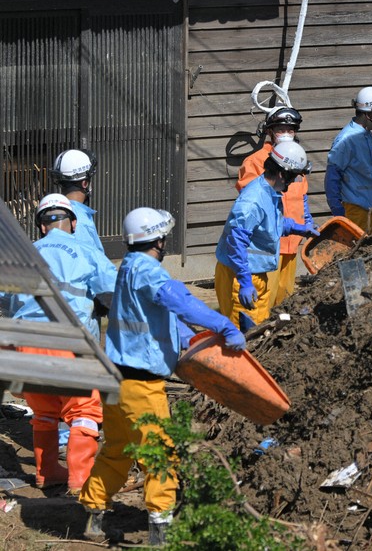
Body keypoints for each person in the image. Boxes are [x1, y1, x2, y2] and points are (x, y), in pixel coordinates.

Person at [80, 207, 247, 546]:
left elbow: (157, 315)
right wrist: (223, 324)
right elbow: (180, 300)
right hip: (140, 385)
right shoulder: (148, 272)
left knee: (117, 450)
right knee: (159, 454)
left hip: (113, 379)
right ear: (158, 240)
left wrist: (187, 337)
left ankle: (93, 519)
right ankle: (161, 530)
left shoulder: (127, 267)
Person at [11, 194, 116, 495]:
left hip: (25, 343)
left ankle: (48, 473)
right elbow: (111, 292)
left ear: (41, 227)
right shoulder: (85, 251)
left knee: (45, 409)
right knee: (84, 408)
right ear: (72, 223)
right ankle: (81, 478)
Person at [216, 141, 318, 330]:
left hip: (254, 274)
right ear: (281, 174)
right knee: (242, 336)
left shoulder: (270, 193)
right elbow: (235, 242)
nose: (294, 182)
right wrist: (245, 282)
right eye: (293, 177)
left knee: (258, 330)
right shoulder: (252, 201)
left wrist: (298, 228)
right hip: (241, 276)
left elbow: (270, 224)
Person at [236, 107, 314, 310]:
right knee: (263, 301)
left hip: (292, 242)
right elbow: (250, 205)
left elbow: (301, 196)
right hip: (268, 245)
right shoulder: (255, 162)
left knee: (285, 298)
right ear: (270, 131)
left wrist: (306, 220)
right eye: (281, 129)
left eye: (291, 129)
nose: (287, 134)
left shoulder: (296, 157)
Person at [51, 148, 117, 338]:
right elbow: (93, 267)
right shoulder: (79, 220)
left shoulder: (55, 215)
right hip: (79, 314)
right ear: (85, 182)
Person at [324, 86, 372, 234]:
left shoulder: (367, 134)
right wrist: (338, 214)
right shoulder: (346, 140)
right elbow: (332, 177)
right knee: (360, 254)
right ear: (370, 115)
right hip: (357, 212)